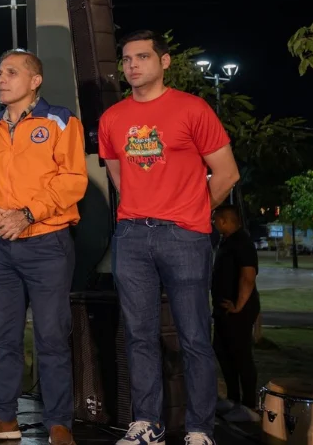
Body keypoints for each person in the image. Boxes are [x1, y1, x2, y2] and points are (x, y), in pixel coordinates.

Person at [100, 30, 240, 445]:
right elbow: (119, 178)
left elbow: (227, 173)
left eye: (142, 57)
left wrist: (193, 210)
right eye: (126, 59)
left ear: (164, 62)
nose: (132, 66)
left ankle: (200, 428)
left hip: (185, 237)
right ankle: (148, 423)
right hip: (131, 236)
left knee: (194, 335)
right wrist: (144, 208)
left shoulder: (192, 109)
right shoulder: (112, 118)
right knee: (138, 335)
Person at [0, 50, 87, 445]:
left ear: (35, 81)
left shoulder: (60, 120)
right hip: (3, 246)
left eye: (12, 73)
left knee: (51, 337)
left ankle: (58, 423)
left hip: (47, 244)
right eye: (1, 73)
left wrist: (28, 214)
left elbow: (73, 179)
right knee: (5, 337)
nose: (2, 79)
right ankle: (4, 418)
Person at [211, 205, 260, 423]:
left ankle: (249, 406)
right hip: (224, 310)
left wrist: (239, 306)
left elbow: (248, 277)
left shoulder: (243, 242)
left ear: (224, 221)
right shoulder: (227, 241)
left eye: (215, 221)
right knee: (223, 352)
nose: (213, 224)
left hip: (238, 311)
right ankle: (233, 399)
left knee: (241, 356)